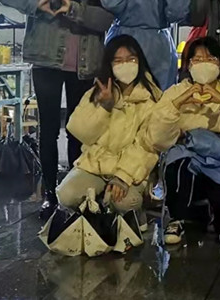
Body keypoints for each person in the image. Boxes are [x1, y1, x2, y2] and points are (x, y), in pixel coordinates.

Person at [0, 0, 113, 219]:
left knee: (78, 131)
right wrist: (35, 4)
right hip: (46, 62)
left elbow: (106, 20)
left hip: (84, 67)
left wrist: (72, 8)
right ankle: (49, 194)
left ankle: (74, 192)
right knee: (48, 130)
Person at [146, 38, 220, 245]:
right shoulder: (175, 92)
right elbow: (157, 138)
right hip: (184, 158)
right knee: (179, 169)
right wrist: (177, 104)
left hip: (218, 161)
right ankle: (177, 218)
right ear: (189, 64)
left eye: (211, 58)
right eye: (198, 59)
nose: (204, 64)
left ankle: (210, 215)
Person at [57, 35, 161, 217]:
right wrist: (104, 108)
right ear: (110, 65)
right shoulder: (98, 92)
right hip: (96, 166)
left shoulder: (152, 98)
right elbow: (79, 131)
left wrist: (123, 177)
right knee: (67, 195)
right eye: (118, 61)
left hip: (131, 171)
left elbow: (147, 146)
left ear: (140, 61)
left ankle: (137, 214)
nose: (125, 65)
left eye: (131, 59)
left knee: (125, 202)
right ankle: (98, 207)